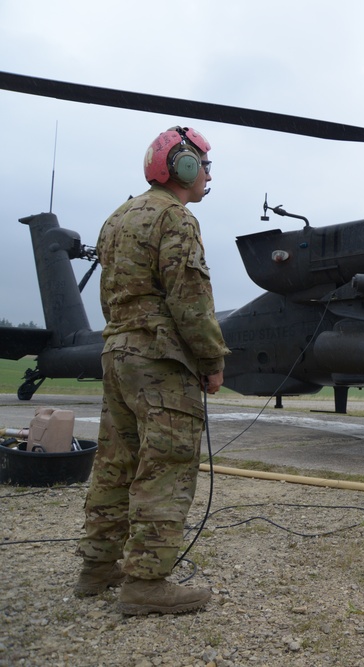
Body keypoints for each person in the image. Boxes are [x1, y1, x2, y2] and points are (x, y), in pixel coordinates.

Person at [74, 126, 230, 615]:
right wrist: (211, 361)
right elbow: (190, 301)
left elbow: (108, 297)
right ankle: (145, 583)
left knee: (115, 463)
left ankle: (97, 568)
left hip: (117, 352)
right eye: (204, 165)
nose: (207, 175)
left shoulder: (118, 217)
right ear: (182, 167)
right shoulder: (175, 219)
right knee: (166, 466)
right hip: (159, 361)